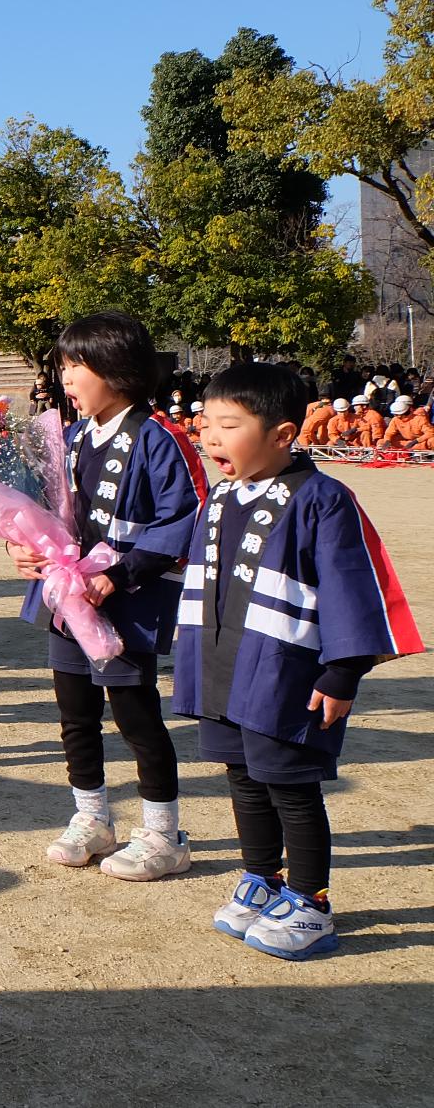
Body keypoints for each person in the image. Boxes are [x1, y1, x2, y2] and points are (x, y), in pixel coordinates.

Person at [179, 363, 422, 959]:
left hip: (286, 671)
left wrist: (343, 671)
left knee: (291, 783)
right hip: (223, 666)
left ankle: (311, 903)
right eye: (205, 423)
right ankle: (263, 879)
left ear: (283, 434)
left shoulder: (324, 499)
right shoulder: (220, 499)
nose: (210, 437)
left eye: (228, 425)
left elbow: (353, 586)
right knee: (242, 777)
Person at [8, 312, 205, 882]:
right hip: (67, 594)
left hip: (125, 596)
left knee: (135, 714)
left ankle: (164, 834)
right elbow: (37, 509)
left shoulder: (159, 437)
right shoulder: (68, 439)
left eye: (77, 366)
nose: (66, 378)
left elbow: (185, 518)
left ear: (117, 371)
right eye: (63, 366)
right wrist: (20, 548)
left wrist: (120, 574)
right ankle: (91, 817)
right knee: (74, 713)